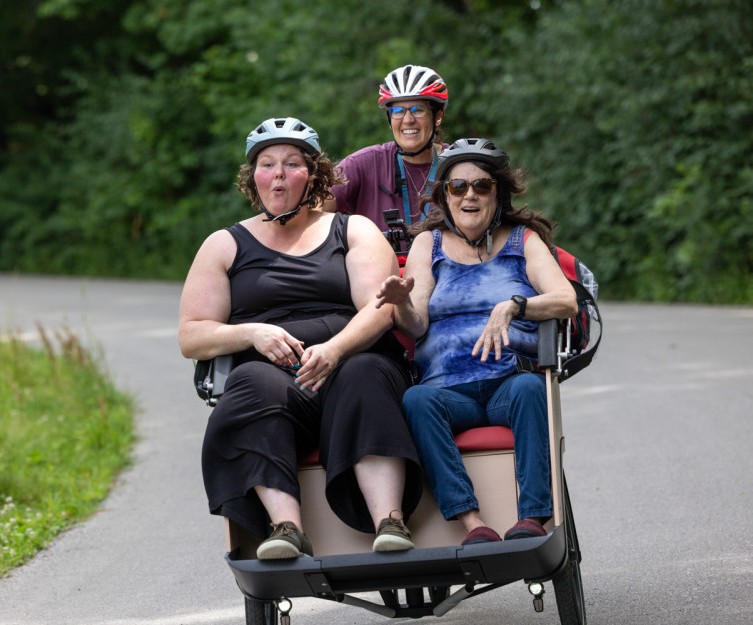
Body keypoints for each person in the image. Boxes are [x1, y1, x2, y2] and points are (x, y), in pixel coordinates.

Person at [179, 117, 423, 559]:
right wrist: (251, 331)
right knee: (250, 385)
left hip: (353, 360)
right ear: (252, 176)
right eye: (267, 164)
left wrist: (335, 349)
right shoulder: (224, 244)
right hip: (279, 381)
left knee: (365, 373)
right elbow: (192, 335)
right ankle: (286, 527)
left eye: (292, 164)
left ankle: (390, 521)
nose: (278, 174)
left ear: (312, 175)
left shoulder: (351, 229)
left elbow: (380, 306)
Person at [375, 138, 578, 545]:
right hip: (448, 392)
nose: (470, 195)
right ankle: (473, 524)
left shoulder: (523, 239)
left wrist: (515, 305)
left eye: (482, 186)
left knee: (527, 387)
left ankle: (534, 519)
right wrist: (400, 305)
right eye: (457, 187)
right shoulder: (426, 243)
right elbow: (416, 326)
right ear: (444, 196)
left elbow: (566, 300)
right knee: (416, 400)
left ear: (498, 193)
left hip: (508, 383)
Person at [322, 64, 450, 236]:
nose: (408, 120)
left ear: (438, 117)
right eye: (398, 111)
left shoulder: (458, 164)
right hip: (380, 262)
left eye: (418, 110)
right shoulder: (364, 163)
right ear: (390, 119)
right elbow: (313, 214)